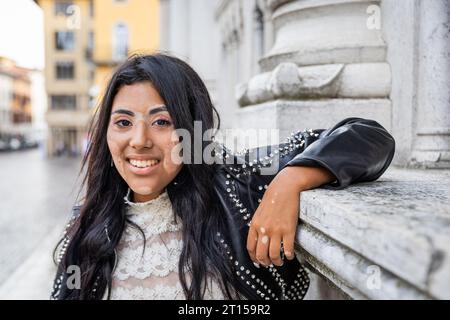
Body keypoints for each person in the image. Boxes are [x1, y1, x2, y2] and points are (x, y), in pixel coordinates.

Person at [51, 53, 395, 300]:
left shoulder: (237, 190)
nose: (139, 141)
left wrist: (289, 182)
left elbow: (368, 136)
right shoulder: (85, 228)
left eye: (162, 122)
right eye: (123, 123)